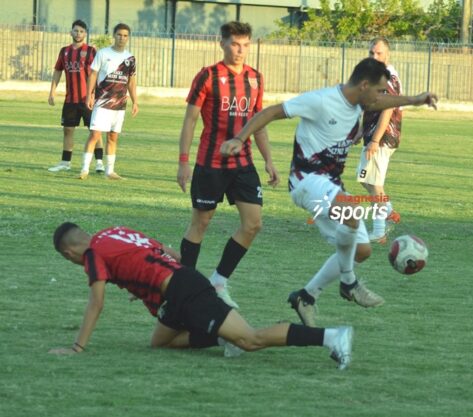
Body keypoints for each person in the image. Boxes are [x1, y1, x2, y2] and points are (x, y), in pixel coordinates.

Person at [218, 57, 437, 326]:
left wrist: (415, 100)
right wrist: (239, 139)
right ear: (364, 85)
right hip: (305, 180)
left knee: (362, 251)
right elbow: (272, 112)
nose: (381, 96)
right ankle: (349, 283)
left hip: (330, 185)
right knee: (352, 210)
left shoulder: (359, 102)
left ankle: (306, 296)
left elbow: (380, 103)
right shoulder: (321, 100)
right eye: (379, 89)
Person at [49, 222, 354, 370]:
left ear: (68, 253)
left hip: (185, 291)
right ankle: (222, 338)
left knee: (250, 340)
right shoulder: (112, 232)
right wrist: (147, 284)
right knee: (160, 342)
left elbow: (96, 302)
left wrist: (77, 347)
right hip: (178, 288)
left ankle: (332, 337)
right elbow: (170, 253)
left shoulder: (92, 254)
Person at [176, 22, 278, 307]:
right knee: (201, 223)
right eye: (234, 44)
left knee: (253, 224)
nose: (240, 50)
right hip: (210, 163)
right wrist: (183, 162)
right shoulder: (208, 76)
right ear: (221, 43)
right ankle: (182, 288)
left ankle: (218, 281)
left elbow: (259, 123)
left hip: (243, 163)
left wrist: (269, 160)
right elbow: (190, 120)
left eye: (245, 45)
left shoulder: (255, 78)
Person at [355, 37, 402, 243]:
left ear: (387, 54)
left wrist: (375, 140)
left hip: (382, 138)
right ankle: (388, 211)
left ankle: (379, 231)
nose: (374, 56)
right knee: (364, 178)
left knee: (374, 184)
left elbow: (387, 109)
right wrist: (361, 132)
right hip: (373, 136)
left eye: (379, 53)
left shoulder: (387, 76)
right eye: (371, 53)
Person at [79, 23, 138, 180]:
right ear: (114, 35)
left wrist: (135, 101)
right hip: (102, 102)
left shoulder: (130, 58)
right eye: (119, 35)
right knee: (95, 134)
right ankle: (84, 169)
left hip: (120, 104)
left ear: (128, 38)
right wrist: (89, 94)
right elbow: (93, 75)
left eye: (125, 35)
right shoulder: (103, 53)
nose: (122, 38)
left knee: (113, 137)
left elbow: (131, 81)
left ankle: (109, 171)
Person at [47, 19, 104, 173]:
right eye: (76, 31)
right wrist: (52, 91)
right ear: (71, 32)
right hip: (70, 99)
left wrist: (95, 94)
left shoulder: (91, 51)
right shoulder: (64, 51)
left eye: (81, 31)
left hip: (88, 99)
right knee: (68, 130)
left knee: (94, 131)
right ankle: (65, 163)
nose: (78, 34)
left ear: (85, 34)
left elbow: (97, 73)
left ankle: (99, 163)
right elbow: (58, 71)